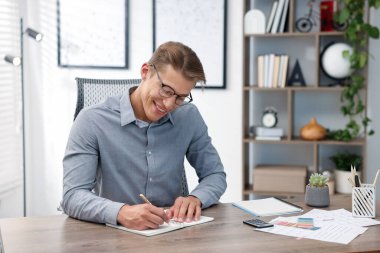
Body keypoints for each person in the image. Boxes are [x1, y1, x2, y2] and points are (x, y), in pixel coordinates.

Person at [61, 41, 227, 230]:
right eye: (166, 90)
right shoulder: (92, 120)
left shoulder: (188, 116)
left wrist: (196, 198)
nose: (169, 104)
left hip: (172, 232)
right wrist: (121, 212)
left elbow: (215, 174)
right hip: (112, 235)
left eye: (180, 97)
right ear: (145, 72)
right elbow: (72, 195)